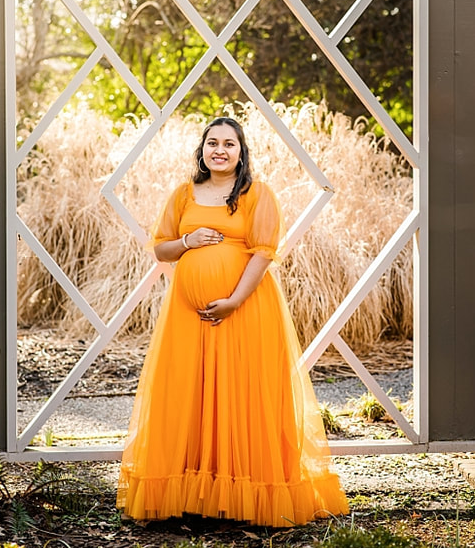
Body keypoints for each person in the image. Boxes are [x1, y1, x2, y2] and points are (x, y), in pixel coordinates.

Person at [118, 116, 348, 526]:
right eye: (212, 143)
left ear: (242, 152)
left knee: (242, 393)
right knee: (190, 391)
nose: (219, 150)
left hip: (245, 310)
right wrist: (188, 242)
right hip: (186, 316)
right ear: (201, 150)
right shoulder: (183, 195)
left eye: (229, 144)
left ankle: (247, 495)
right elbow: (161, 250)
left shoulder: (257, 195)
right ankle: (194, 493)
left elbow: (263, 253)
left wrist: (233, 300)